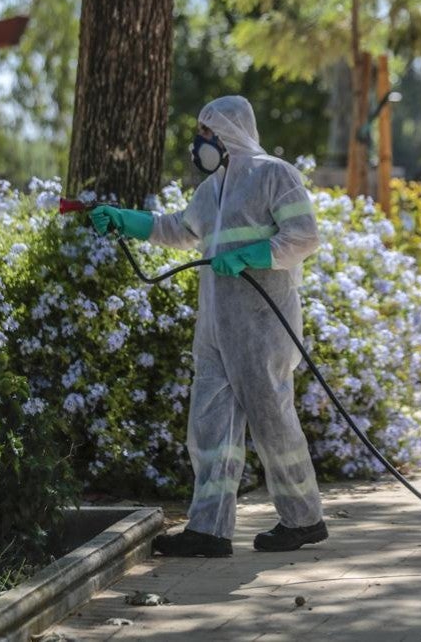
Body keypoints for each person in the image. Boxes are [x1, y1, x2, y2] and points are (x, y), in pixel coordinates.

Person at [89, 95, 327, 557]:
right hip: (217, 328)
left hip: (263, 326)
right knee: (209, 429)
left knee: (273, 423)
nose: (198, 143)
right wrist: (125, 221)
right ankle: (209, 530)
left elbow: (304, 235)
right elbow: (179, 229)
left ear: (228, 133)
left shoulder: (274, 175)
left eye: (205, 133)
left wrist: (251, 255)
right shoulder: (210, 190)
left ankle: (304, 519)